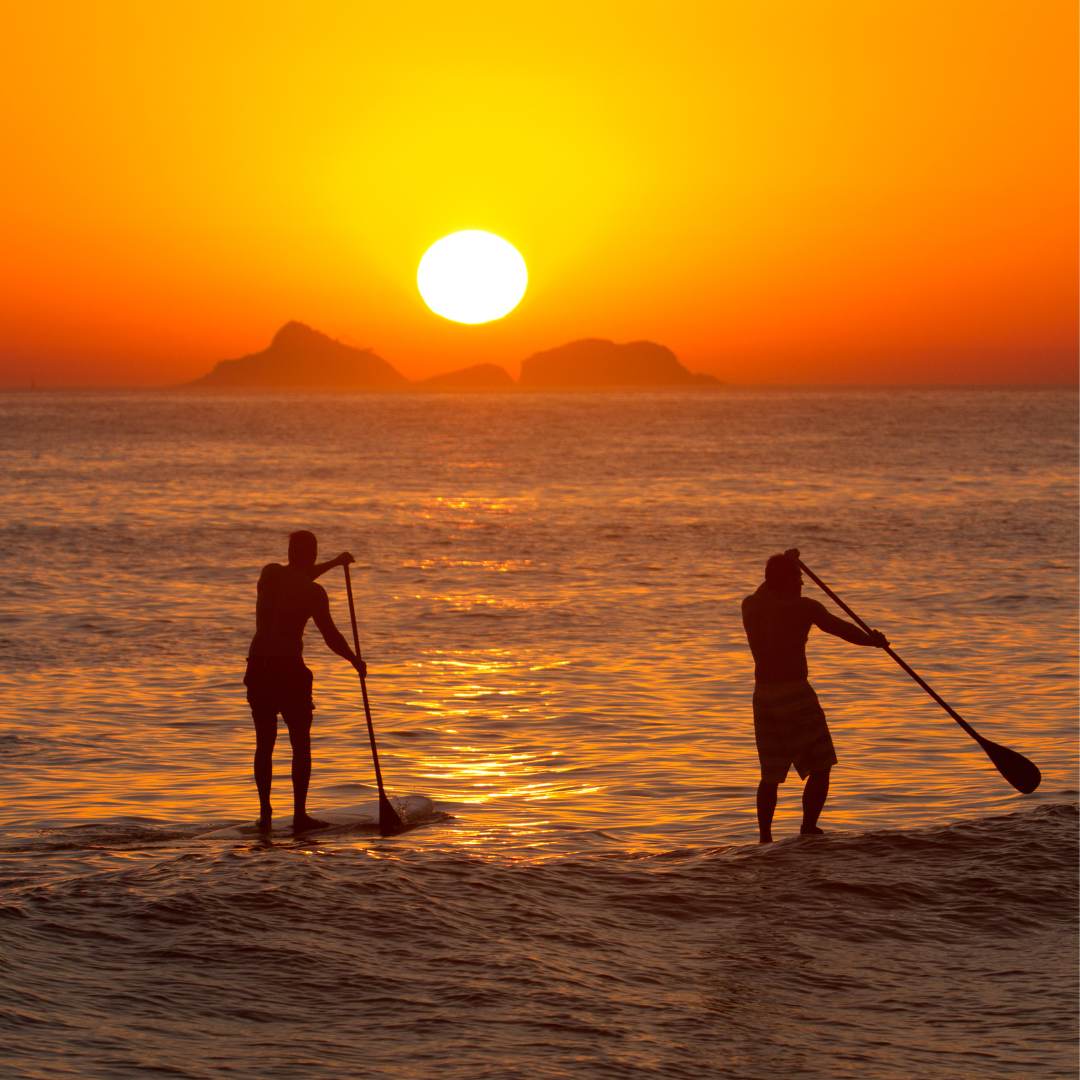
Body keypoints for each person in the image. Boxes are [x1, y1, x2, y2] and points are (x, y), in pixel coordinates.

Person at [742, 548, 888, 843]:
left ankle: (764, 839)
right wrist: (871, 641)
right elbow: (840, 629)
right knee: (822, 765)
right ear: (783, 583)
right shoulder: (804, 608)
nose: (800, 586)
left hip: (764, 698)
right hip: (795, 696)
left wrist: (786, 563)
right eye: (796, 581)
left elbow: (766, 588)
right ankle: (808, 828)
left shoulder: (751, 606)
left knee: (770, 773)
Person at [244, 530, 365, 832]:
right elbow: (330, 634)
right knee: (290, 744)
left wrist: (353, 660)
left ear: (290, 553)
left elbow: (330, 634)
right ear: (310, 555)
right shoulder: (302, 588)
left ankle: (276, 814)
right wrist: (354, 660)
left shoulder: (275, 577)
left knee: (273, 743)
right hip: (281, 671)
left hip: (263, 670)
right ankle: (287, 815)